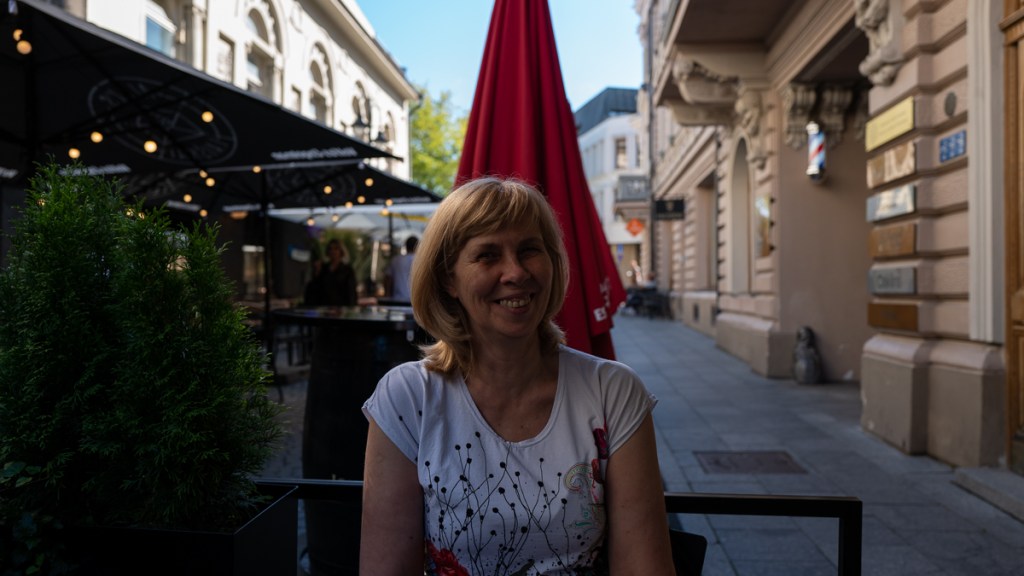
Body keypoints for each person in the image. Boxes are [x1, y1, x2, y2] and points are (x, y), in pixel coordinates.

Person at [360, 177, 674, 575]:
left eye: (529, 250)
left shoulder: (612, 392)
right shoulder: (408, 398)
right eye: (488, 255)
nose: (516, 272)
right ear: (448, 279)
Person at [313, 238, 357, 306]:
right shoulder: (323, 268)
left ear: (341, 251)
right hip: (324, 307)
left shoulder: (347, 270)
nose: (333, 251)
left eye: (336, 248)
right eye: (330, 249)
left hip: (341, 308)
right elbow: (316, 289)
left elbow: (351, 292)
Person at [385, 235, 418, 303]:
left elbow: (387, 279)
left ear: (406, 246)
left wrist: (387, 295)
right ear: (417, 247)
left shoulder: (396, 260)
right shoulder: (420, 261)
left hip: (397, 300)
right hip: (414, 301)